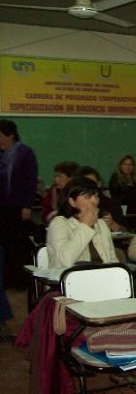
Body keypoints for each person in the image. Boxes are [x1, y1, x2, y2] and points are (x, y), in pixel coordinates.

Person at [0, 119, 37, 331]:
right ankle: (4, 279)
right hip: (1, 207)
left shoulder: (25, 153)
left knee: (15, 244)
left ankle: (16, 279)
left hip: (17, 207)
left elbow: (29, 180)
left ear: (9, 134)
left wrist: (27, 205)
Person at [47, 176, 118, 268]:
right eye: (87, 197)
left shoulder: (101, 224)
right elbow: (63, 262)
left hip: (102, 277)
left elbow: (112, 261)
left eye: (96, 196)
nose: (94, 201)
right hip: (72, 279)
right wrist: (85, 226)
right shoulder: (59, 224)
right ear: (72, 202)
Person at [75, 165, 127, 233]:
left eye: (92, 183)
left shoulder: (111, 204)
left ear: (99, 183)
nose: (88, 186)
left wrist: (112, 224)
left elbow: (125, 233)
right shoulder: (74, 205)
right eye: (84, 184)